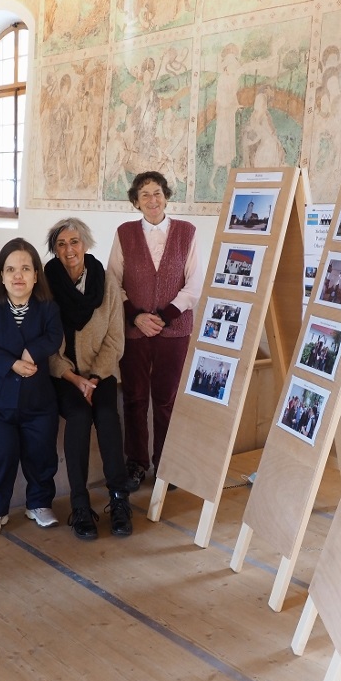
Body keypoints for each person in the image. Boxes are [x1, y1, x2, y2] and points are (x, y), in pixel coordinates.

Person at [109, 171, 201, 489]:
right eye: (145, 194)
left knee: (167, 400)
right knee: (134, 398)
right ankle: (135, 463)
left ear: (166, 196)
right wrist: (135, 316)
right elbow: (113, 282)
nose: (152, 200)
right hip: (134, 331)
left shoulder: (186, 232)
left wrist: (166, 314)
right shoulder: (124, 234)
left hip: (174, 331)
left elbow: (194, 282)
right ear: (136, 201)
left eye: (158, 193)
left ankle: (166, 464)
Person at [45, 218, 133, 540]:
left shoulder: (105, 280)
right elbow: (46, 342)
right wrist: (72, 377)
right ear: (55, 250)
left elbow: (114, 338)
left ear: (85, 244)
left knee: (108, 414)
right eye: (62, 244)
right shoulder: (47, 283)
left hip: (101, 372)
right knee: (79, 417)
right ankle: (79, 506)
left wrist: (94, 378)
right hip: (65, 375)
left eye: (75, 242)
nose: (69, 250)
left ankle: (120, 499)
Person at [0, 238, 64, 536]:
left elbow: (53, 336)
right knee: (1, 457)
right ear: (1, 275)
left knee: (41, 455)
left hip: (39, 404)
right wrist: (11, 363)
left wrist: (30, 352)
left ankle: (39, 503)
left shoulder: (48, 308)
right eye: (11, 269)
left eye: (25, 268)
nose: (18, 275)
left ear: (36, 274)